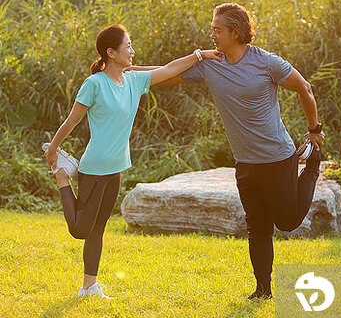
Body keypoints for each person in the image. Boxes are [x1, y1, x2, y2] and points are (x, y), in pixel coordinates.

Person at [131, 3, 324, 300]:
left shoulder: (267, 63)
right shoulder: (211, 64)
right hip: (245, 163)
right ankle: (263, 289)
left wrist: (314, 129)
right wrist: (124, 71)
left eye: (217, 30)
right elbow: (163, 75)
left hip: (277, 157)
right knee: (257, 227)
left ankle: (312, 165)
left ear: (234, 32)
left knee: (287, 222)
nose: (212, 35)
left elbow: (305, 88)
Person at [43, 23, 221, 299]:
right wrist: (54, 147)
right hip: (93, 168)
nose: (133, 51)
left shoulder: (134, 81)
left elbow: (169, 69)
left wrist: (200, 55)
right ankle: (63, 178)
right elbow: (73, 119)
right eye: (128, 46)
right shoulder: (94, 84)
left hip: (115, 167)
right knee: (80, 229)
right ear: (111, 53)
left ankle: (88, 286)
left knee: (98, 229)